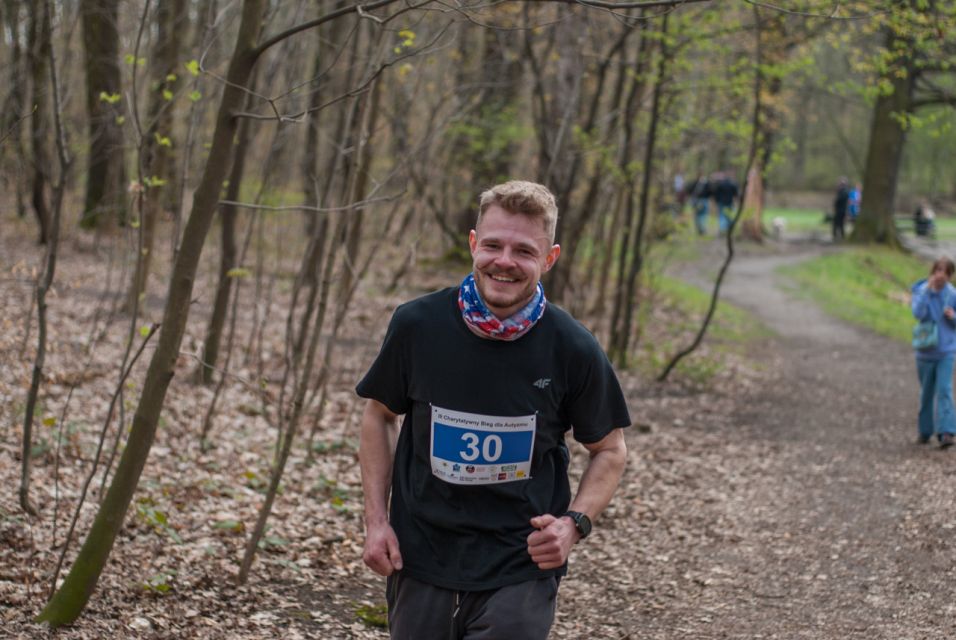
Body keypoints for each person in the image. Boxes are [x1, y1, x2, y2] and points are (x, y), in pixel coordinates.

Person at [357, 180, 631, 639]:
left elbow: (610, 449)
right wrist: (376, 522)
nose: (504, 261)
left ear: (549, 258)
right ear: (472, 244)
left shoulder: (572, 347)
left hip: (520, 561)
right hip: (420, 552)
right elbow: (378, 416)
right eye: (493, 245)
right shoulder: (417, 325)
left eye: (524, 251)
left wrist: (574, 525)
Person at [911, 257, 956, 448]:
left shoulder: (952, 295)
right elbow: (918, 314)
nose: (940, 276)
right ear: (932, 272)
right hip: (925, 351)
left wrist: (953, 317)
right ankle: (925, 430)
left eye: (945, 272)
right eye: (938, 271)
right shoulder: (922, 291)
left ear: (950, 275)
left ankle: (946, 432)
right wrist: (927, 292)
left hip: (946, 351)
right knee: (926, 392)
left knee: (944, 390)